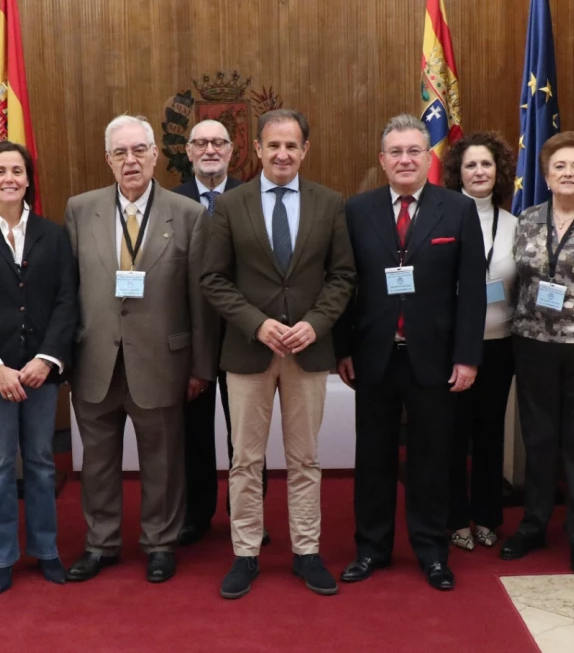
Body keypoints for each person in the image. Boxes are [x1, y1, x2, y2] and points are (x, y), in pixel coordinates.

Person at [201, 109, 355, 599]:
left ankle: (306, 552)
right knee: (246, 460)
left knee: (305, 458)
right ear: (259, 150)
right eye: (274, 146)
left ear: (305, 150)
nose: (283, 154)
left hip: (308, 352)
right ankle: (245, 554)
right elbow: (213, 279)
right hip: (249, 351)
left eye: (292, 146)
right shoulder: (232, 204)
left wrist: (315, 324)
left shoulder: (330, 204)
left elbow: (343, 276)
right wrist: (257, 323)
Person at [335, 114, 486, 592]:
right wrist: (343, 348)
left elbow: (472, 293)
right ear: (382, 160)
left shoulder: (457, 210)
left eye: (414, 151)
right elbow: (343, 283)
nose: (405, 159)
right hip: (374, 357)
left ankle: (431, 551)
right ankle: (371, 549)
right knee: (373, 458)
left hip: (435, 360)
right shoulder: (356, 211)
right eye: (395, 152)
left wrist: (467, 356)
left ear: (429, 157)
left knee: (431, 458)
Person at [65, 114, 216, 585]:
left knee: (163, 461)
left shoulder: (188, 213)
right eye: (119, 153)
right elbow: (67, 291)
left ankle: (159, 542)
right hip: (95, 360)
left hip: (163, 361)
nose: (130, 161)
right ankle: (101, 543)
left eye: (138, 151)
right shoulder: (80, 209)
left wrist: (201, 365)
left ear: (156, 155)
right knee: (98, 462)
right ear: (107, 159)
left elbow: (201, 297)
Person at [0, 141, 77, 594]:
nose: (9, 178)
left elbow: (67, 301)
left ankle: (45, 550)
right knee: (0, 464)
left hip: (42, 373)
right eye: (0, 171)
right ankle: (3, 556)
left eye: (17, 171)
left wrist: (46, 359)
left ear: (28, 180)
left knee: (42, 462)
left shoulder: (54, 235)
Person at [500, 131, 574, 576]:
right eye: (560, 166)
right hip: (533, 344)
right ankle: (534, 524)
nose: (568, 173)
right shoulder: (528, 219)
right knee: (537, 440)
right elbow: (516, 280)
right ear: (546, 174)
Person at [173, 119, 269, 547]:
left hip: (242, 333)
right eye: (201, 143)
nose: (210, 149)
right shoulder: (169, 202)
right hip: (188, 336)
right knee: (192, 431)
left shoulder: (254, 198)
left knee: (247, 433)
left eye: (219, 143)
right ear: (188, 152)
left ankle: (247, 515)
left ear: (234, 151)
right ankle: (196, 514)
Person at [442, 132, 517, 552]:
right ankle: (455, 518)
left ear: (498, 171)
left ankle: (487, 515)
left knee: (489, 435)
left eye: (486, 164)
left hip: (498, 344)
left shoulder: (514, 225)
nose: (478, 171)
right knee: (453, 436)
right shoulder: (444, 218)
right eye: (470, 165)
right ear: (458, 172)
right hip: (452, 347)